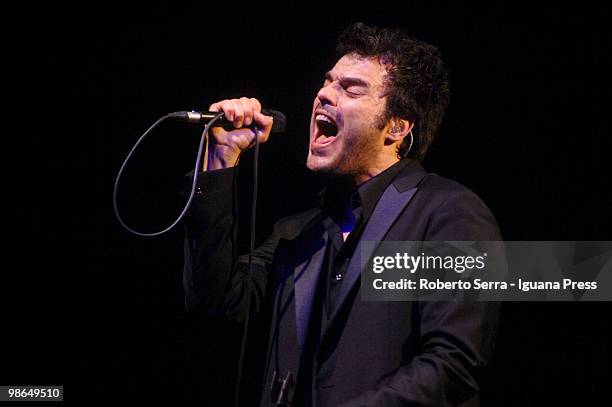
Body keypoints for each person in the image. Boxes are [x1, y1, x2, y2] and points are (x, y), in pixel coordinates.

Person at [183, 22, 501, 406]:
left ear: (397, 127)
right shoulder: (299, 232)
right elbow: (216, 301)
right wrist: (220, 158)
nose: (323, 95)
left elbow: (454, 363)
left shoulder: (447, 213)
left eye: (350, 88)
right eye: (327, 81)